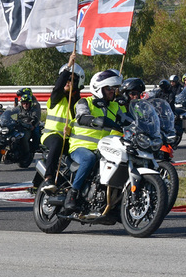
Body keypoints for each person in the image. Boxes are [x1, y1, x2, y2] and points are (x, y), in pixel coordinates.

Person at [65, 70, 125, 212]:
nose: (113, 91)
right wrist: (94, 120)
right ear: (99, 88)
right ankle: (72, 193)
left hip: (104, 148)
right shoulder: (85, 102)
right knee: (89, 158)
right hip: (80, 147)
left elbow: (127, 119)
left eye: (115, 88)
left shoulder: (115, 106)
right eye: (109, 88)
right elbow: (81, 116)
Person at [37, 61, 85, 193]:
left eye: (71, 79)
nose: (67, 82)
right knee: (57, 141)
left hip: (69, 139)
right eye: (66, 79)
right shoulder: (56, 97)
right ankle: (49, 177)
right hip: (51, 135)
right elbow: (57, 87)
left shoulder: (79, 103)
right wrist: (68, 68)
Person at [16, 88, 42, 159]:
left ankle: (35, 147)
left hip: (31, 123)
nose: (25, 104)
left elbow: (36, 116)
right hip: (22, 124)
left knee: (36, 132)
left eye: (26, 103)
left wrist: (33, 124)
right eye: (23, 103)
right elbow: (14, 112)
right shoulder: (21, 105)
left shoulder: (35, 104)